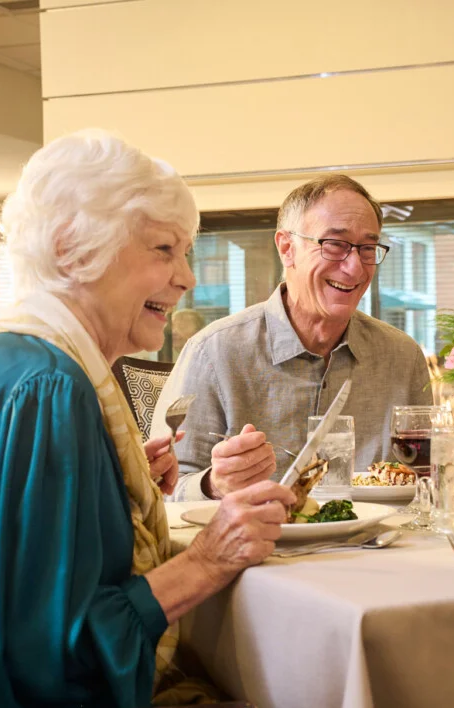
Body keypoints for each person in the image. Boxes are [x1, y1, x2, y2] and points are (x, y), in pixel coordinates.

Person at [0, 130, 295, 708]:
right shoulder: (47, 392)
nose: (186, 278)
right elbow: (45, 663)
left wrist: (117, 497)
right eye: (163, 249)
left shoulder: (19, 365)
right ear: (73, 250)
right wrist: (207, 559)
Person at [152, 174, 432, 502]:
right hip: (259, 550)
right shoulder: (213, 352)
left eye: (367, 248)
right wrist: (214, 484)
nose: (355, 268)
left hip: (378, 548)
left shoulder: (403, 356)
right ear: (287, 248)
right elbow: (159, 490)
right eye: (335, 245)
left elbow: (428, 481)